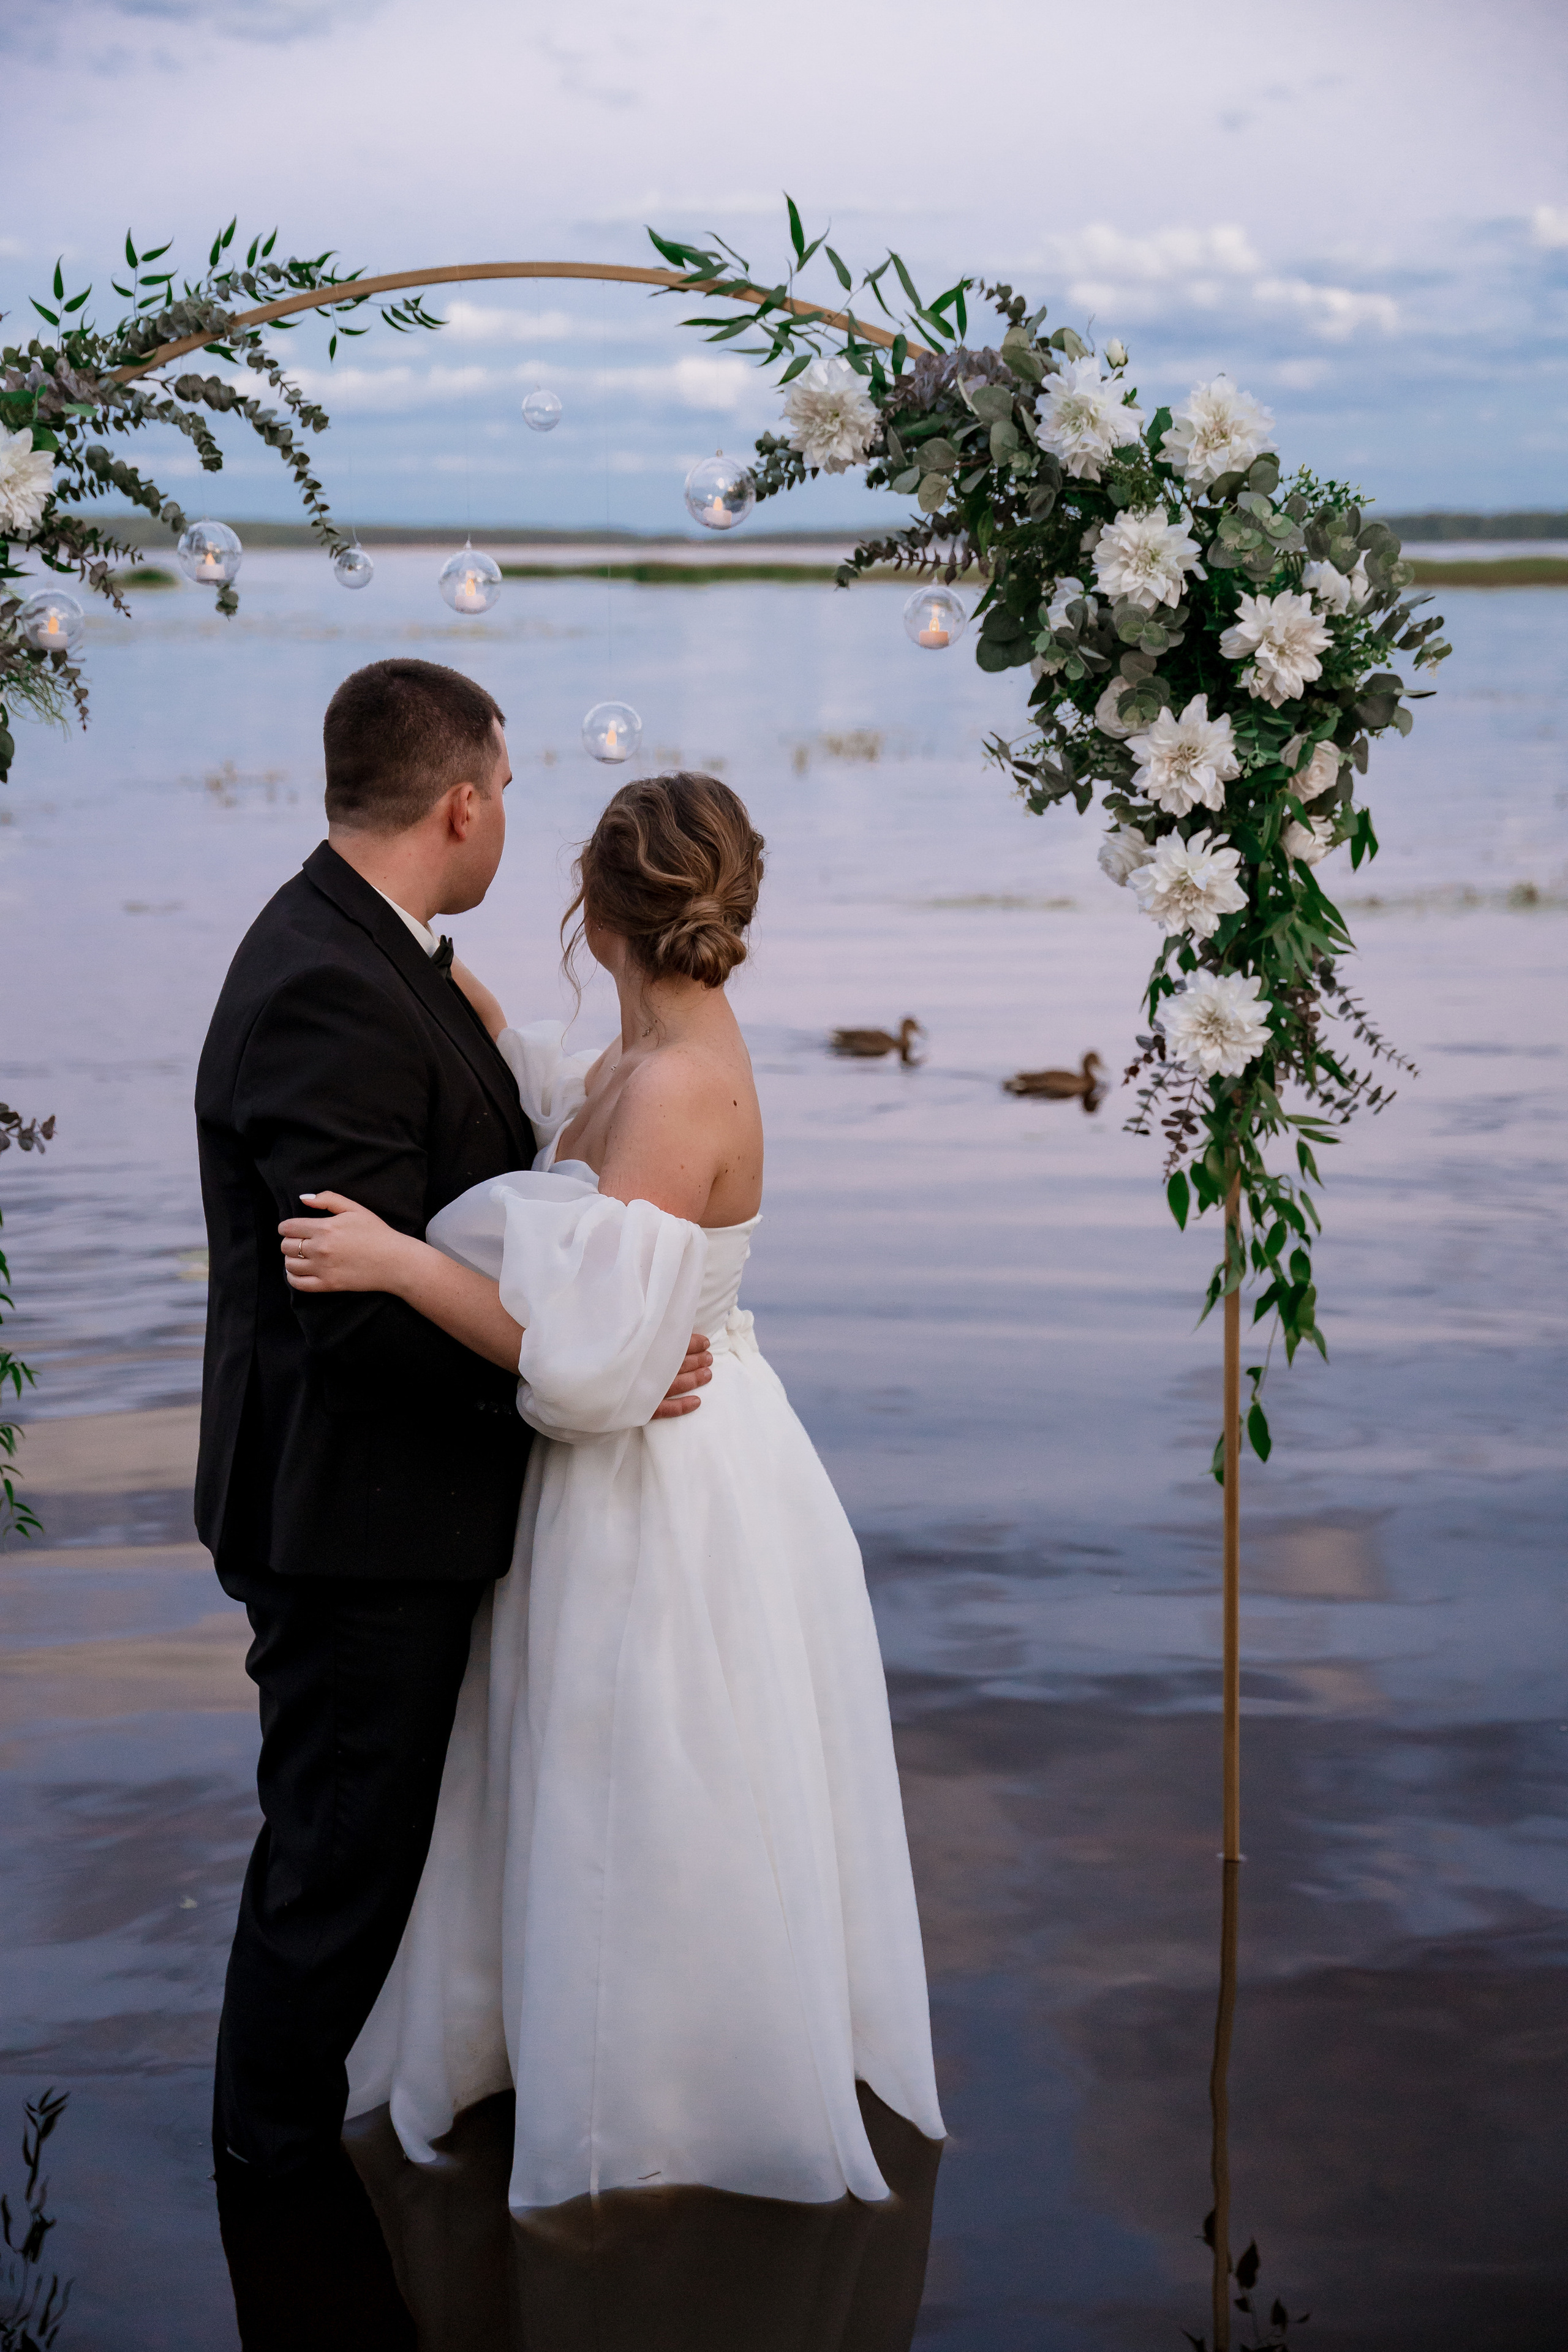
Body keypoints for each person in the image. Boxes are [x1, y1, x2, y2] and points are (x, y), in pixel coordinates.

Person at [277, 771, 946, 2230]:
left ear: (600, 906)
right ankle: (558, 2045)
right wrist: (438, 971)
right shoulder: (651, 1054)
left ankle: (652, 2102)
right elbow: (556, 1100)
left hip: (666, 1488)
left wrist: (399, 1262)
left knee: (648, 1776)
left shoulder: (678, 1087)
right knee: (599, 1764)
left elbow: (598, 1368)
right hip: (643, 1468)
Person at [194, 662, 709, 2349]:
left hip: (393, 1507)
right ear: (465, 803)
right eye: (509, 783)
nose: (515, 812)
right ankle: (270, 2195)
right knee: (333, 1864)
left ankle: (302, 2185)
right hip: (350, 1517)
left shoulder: (371, 952)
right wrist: (581, 1388)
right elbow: (350, 1309)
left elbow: (466, 1172)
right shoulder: (324, 986)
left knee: (358, 1853)